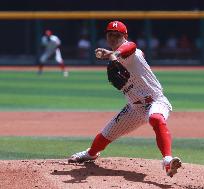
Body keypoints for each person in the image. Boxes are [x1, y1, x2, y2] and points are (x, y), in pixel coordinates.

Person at [68, 21, 182, 177]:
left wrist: (113, 54)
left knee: (156, 118)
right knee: (105, 135)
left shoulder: (132, 51)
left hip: (156, 101)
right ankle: (91, 154)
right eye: (110, 35)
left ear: (125, 37)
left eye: (117, 35)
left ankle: (168, 161)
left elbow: (131, 46)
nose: (113, 38)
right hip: (134, 108)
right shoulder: (114, 56)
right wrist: (111, 55)